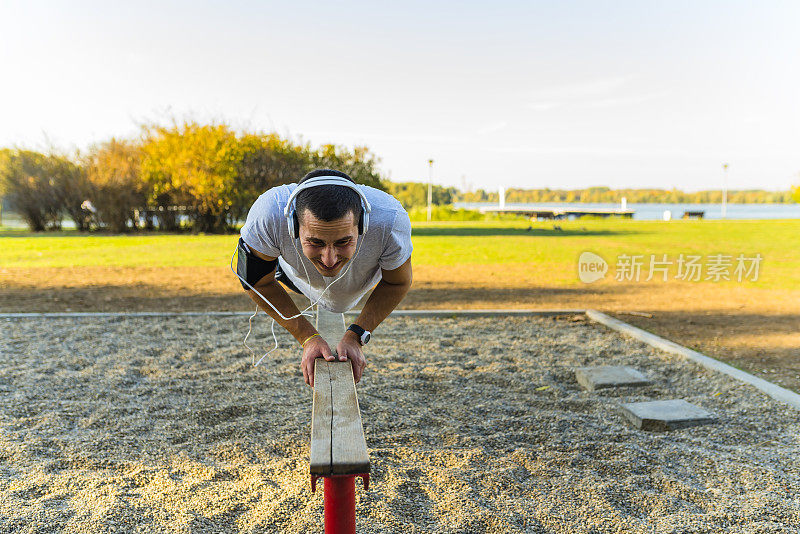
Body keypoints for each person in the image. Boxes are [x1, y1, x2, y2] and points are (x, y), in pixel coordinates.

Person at [237, 169, 413, 387]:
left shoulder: (390, 220)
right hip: (296, 278)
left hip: (361, 279)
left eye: (343, 241)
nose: (329, 260)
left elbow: (398, 281)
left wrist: (357, 335)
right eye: (315, 242)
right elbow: (255, 282)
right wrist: (307, 337)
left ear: (363, 225)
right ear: (292, 226)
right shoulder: (268, 215)